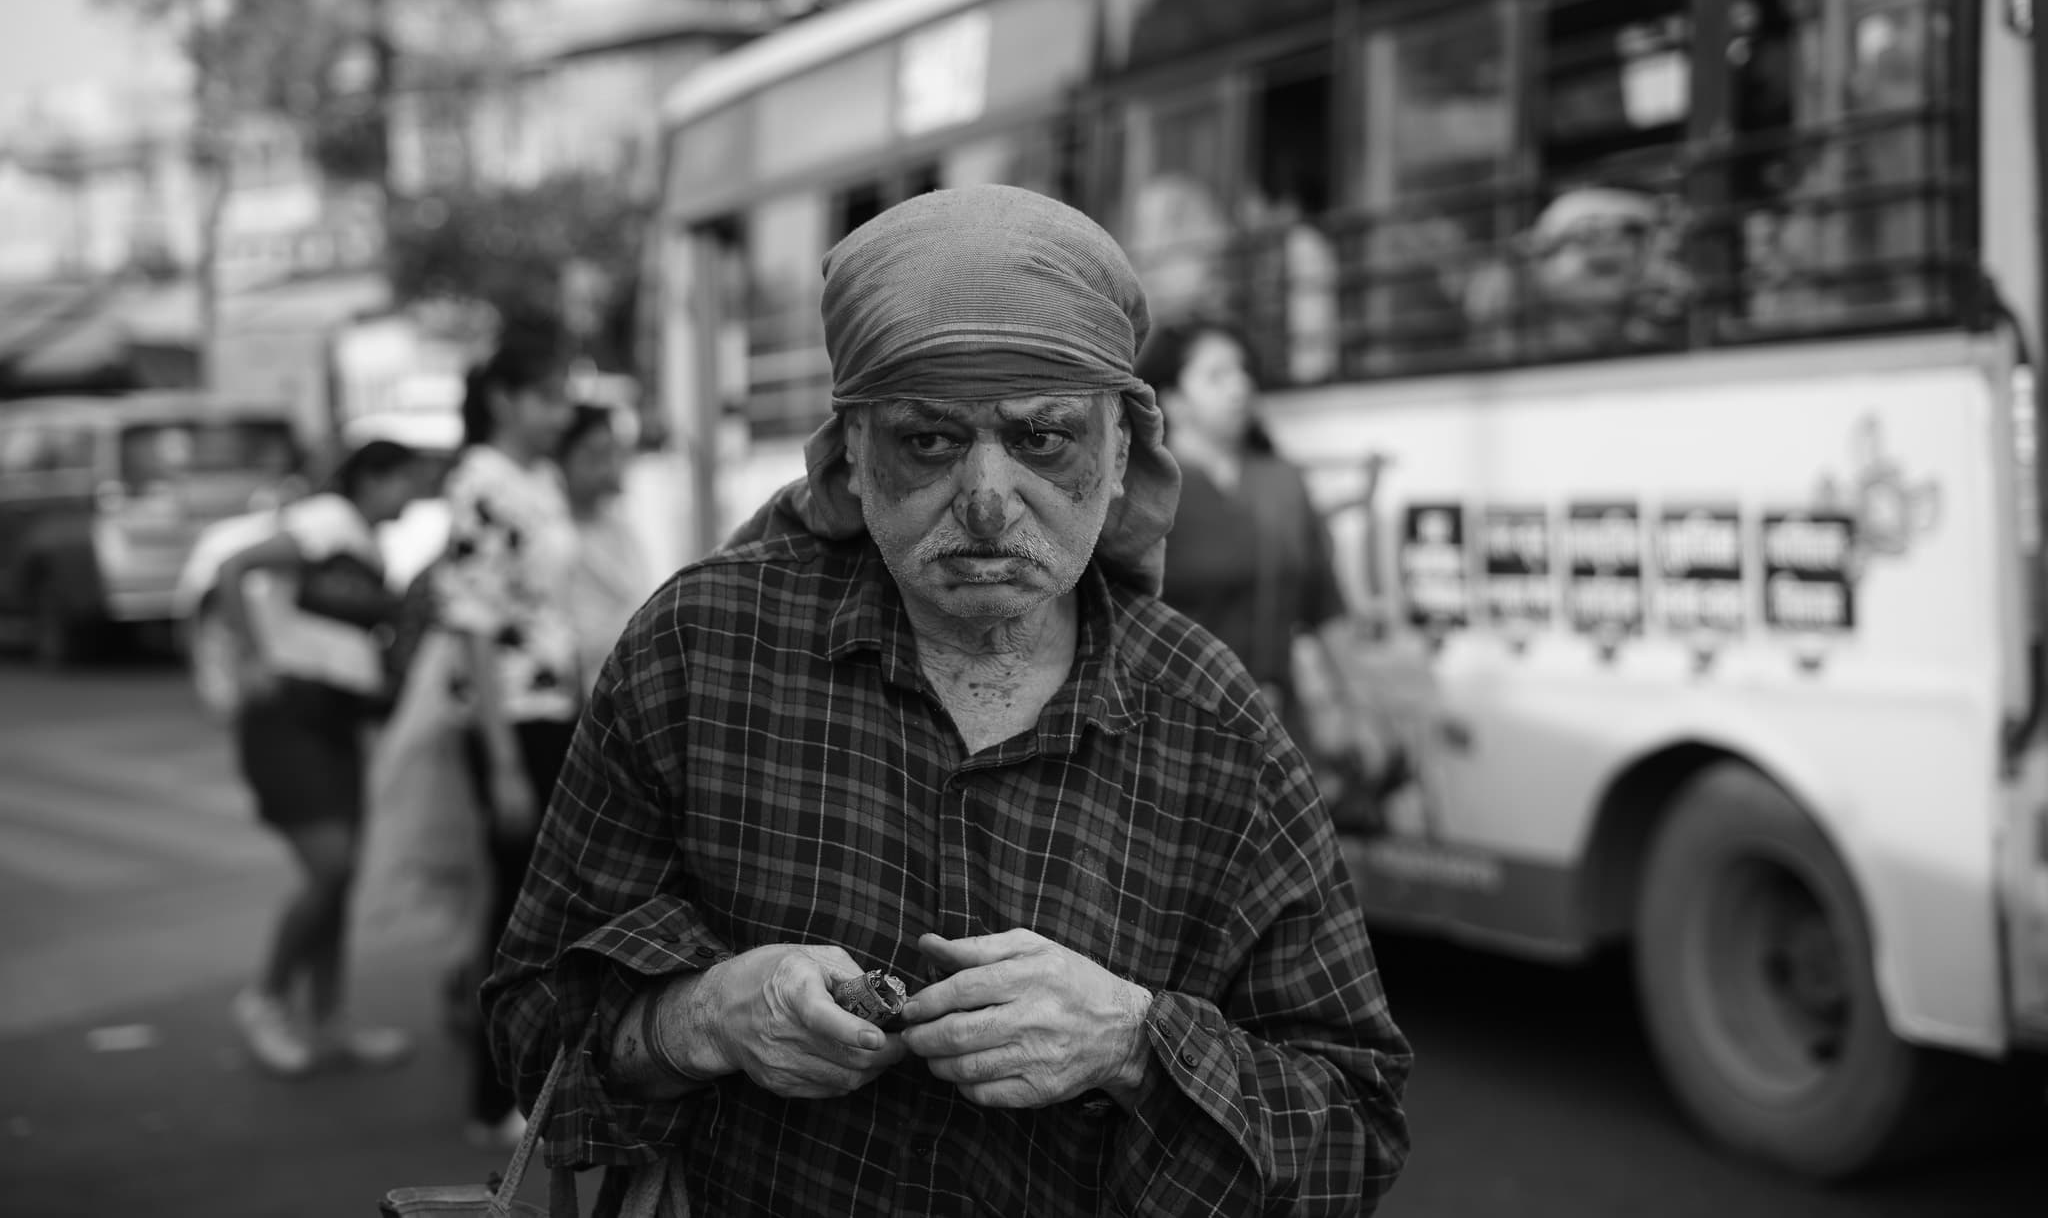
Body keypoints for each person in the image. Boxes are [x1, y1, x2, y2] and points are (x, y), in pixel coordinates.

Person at [483, 185, 1411, 1216]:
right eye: (928, 441)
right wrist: (700, 1020)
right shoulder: (700, 652)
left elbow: (1353, 1129)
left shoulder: (1214, 725)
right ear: (852, 453)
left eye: (1043, 438)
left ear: (1119, 455)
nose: (985, 502)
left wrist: (1131, 1045)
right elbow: (530, 1029)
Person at [1134, 316, 1393, 831]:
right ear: (1174, 400)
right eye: (1217, 375)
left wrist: (1362, 709)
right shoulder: (1138, 491)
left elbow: (1326, 606)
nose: (1240, 386)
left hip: (1276, 730)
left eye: (1243, 371)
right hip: (1169, 741)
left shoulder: (1282, 482)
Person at [219, 437, 424, 1077]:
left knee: (343, 875)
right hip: (290, 716)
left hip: (337, 719)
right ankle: (265, 1000)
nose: (414, 494)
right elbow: (233, 567)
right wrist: (251, 656)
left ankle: (330, 1019)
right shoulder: (326, 521)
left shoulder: (365, 544)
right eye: (406, 480)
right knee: (330, 865)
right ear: (372, 479)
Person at [438, 337, 580, 1147]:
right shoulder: (479, 483)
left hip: (554, 709)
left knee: (543, 904)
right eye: (548, 396)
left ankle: (526, 1081)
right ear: (503, 399)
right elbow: (472, 629)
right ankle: (492, 1096)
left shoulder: (540, 479)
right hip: (511, 721)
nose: (562, 412)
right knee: (514, 909)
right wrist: (499, 762)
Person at [557, 403, 659, 697]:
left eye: (613, 453)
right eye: (594, 455)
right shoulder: (551, 534)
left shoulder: (621, 525)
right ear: (563, 457)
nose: (609, 466)